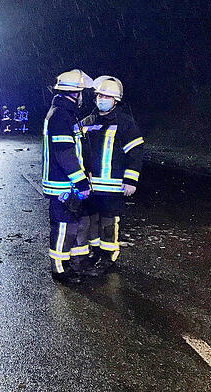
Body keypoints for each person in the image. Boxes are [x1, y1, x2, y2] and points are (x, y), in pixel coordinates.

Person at [76, 76, 144, 273]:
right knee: (92, 221)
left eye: (107, 96)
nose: (102, 99)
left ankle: (108, 257)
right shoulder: (87, 122)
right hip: (91, 185)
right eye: (100, 95)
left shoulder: (125, 123)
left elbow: (136, 152)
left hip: (113, 187)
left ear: (116, 101)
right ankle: (95, 253)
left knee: (109, 222)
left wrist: (131, 180)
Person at [42, 69, 92, 284]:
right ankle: (60, 270)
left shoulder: (64, 112)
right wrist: (80, 181)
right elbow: (64, 152)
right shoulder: (61, 116)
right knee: (63, 226)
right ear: (76, 93)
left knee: (72, 224)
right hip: (62, 184)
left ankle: (71, 264)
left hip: (66, 182)